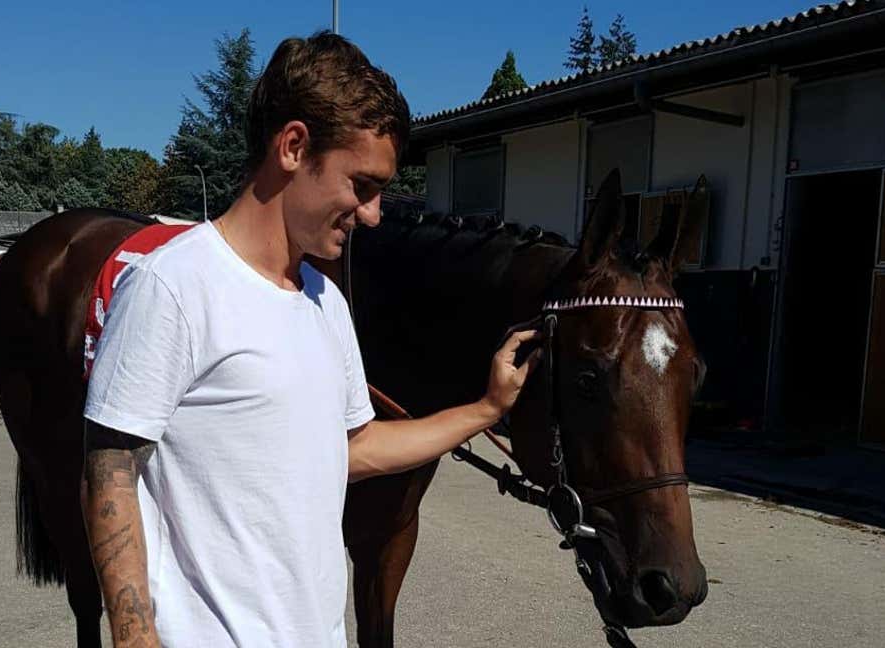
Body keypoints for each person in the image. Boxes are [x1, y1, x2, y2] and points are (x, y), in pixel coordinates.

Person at [81, 31, 541, 648]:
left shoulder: (325, 302)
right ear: (294, 147)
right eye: (363, 185)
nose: (374, 214)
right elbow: (108, 468)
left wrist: (486, 409)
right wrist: (135, 637)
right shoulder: (175, 286)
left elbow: (356, 447)